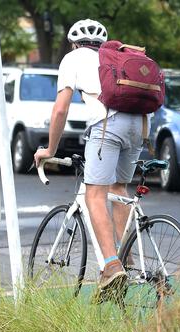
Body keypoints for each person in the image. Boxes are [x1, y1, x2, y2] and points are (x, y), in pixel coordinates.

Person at [33, 19, 150, 298]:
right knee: (118, 189)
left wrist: (49, 150)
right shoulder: (118, 57)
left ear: (74, 43)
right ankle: (124, 253)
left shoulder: (72, 59)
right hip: (140, 125)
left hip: (107, 124)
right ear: (102, 43)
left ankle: (111, 266)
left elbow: (60, 110)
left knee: (94, 196)